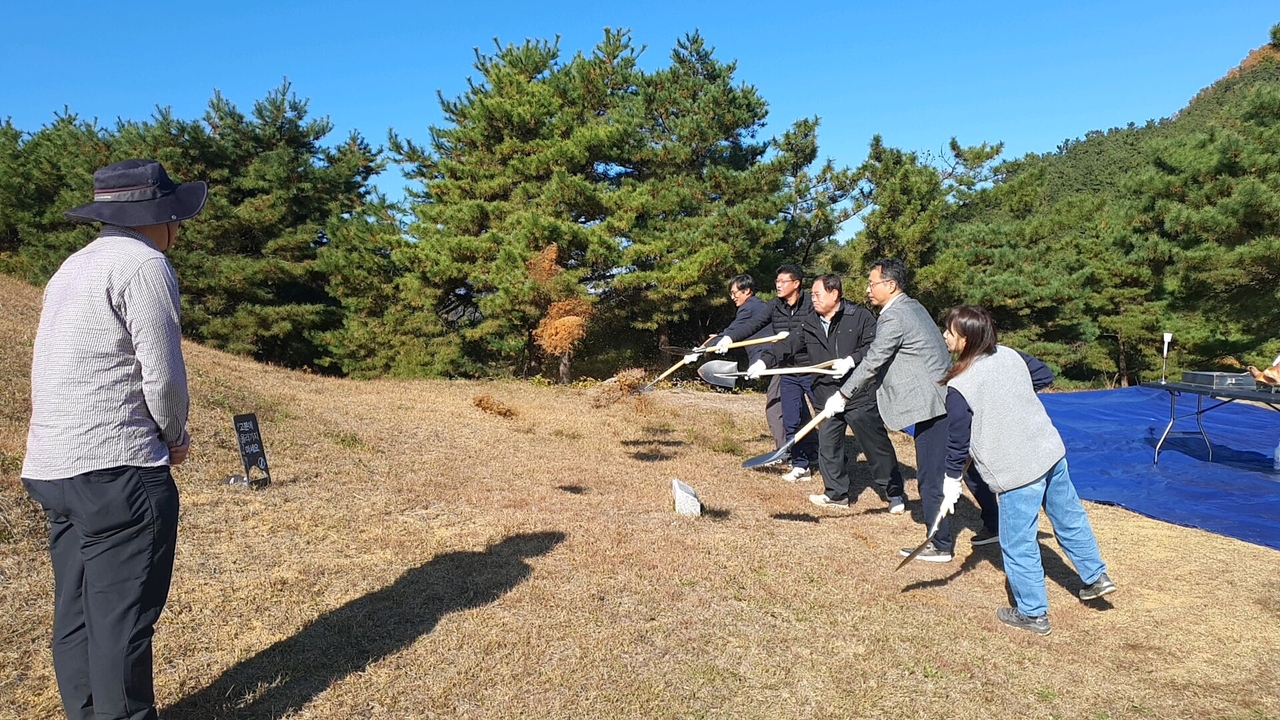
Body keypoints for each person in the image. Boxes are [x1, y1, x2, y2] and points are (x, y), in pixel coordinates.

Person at [21, 159, 202, 720]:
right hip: (117, 466)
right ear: (159, 217)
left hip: (54, 466)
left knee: (76, 614)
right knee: (122, 622)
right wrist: (174, 435)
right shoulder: (143, 265)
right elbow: (164, 375)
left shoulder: (72, 267)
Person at [939, 305, 1116, 635]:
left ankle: (1033, 613)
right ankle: (1096, 576)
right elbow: (1044, 374)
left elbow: (957, 442)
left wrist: (951, 480)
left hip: (1017, 471)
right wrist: (1009, 396)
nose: (944, 336)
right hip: (1049, 454)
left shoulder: (959, 386)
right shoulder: (1010, 355)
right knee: (1070, 518)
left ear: (965, 338)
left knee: (1018, 541)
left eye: (949, 331)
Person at [828, 258, 954, 562]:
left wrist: (844, 395)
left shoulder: (895, 316)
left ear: (891, 285)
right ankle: (992, 524)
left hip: (933, 404)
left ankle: (941, 544)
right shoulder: (912, 306)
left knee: (931, 477)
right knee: (967, 469)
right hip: (942, 397)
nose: (868, 289)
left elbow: (874, 360)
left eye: (873, 284)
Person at [749, 274, 906, 510]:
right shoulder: (810, 322)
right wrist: (764, 362)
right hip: (825, 395)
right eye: (811, 294)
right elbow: (788, 343)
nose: (812, 299)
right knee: (829, 446)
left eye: (817, 294)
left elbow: (874, 348)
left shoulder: (859, 317)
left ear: (834, 294)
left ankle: (893, 493)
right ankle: (836, 494)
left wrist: (852, 360)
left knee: (876, 446)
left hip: (857, 394)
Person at [705, 273, 784, 444]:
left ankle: (786, 454)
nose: (732, 297)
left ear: (747, 290)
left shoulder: (750, 307)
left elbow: (735, 328)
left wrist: (702, 349)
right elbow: (735, 331)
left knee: (776, 407)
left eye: (735, 293)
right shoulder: (756, 306)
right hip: (775, 358)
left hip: (772, 358)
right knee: (791, 404)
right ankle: (811, 449)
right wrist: (718, 338)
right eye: (731, 294)